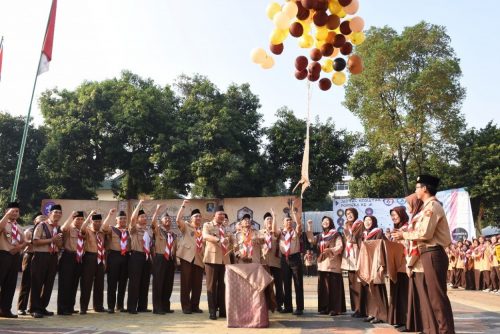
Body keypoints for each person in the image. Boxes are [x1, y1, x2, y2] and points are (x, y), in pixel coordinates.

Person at [392, 174, 455, 334]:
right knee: (434, 297)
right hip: (427, 253)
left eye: (417, 187)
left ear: (425, 188)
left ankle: (446, 331)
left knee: (437, 297)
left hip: (433, 253)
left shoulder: (432, 207)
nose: (416, 190)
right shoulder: (428, 207)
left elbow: (425, 233)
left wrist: (404, 235)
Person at [306, 216, 345, 316]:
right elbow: (311, 240)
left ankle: (334, 309)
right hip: (322, 264)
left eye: (327, 221)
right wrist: (309, 226)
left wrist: (330, 250)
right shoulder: (320, 236)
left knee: (333, 288)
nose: (325, 222)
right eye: (323, 221)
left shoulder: (336, 234)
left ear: (331, 222)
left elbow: (340, 246)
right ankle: (324, 308)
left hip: (333, 264)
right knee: (323, 288)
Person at [30, 203, 63, 318]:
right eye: (55, 212)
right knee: (37, 283)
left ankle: (43, 307)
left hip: (53, 256)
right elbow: (35, 241)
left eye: (59, 213)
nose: (57, 215)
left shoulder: (58, 228)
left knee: (48, 284)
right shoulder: (41, 225)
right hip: (40, 256)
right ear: (49, 214)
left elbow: (59, 244)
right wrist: (51, 239)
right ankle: (34, 308)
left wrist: (58, 241)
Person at [80, 210, 114, 314]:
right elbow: (81, 229)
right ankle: (83, 307)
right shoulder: (87, 230)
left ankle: (98, 306)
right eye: (96, 222)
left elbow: (106, 226)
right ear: (91, 221)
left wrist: (109, 214)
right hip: (89, 257)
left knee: (99, 283)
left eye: (99, 221)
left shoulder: (102, 232)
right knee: (86, 283)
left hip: (101, 257)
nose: (98, 223)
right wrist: (90, 215)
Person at [127, 200, 159, 314]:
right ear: (138, 218)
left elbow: (151, 245)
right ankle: (131, 307)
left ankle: (142, 306)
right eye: (142, 216)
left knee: (145, 282)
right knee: (134, 282)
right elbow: (132, 219)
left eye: (145, 217)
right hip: (136, 256)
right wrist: (139, 204)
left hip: (146, 257)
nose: (144, 218)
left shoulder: (149, 230)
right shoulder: (134, 228)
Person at [202, 205, 233, 320]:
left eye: (223, 214)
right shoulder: (207, 225)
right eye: (219, 214)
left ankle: (223, 311)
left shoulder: (226, 227)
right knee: (211, 287)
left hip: (225, 260)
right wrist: (219, 239)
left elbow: (231, 240)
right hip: (212, 259)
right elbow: (205, 236)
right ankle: (212, 311)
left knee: (223, 286)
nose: (222, 216)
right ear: (214, 215)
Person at [57, 210, 89, 315]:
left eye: (81, 219)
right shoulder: (69, 228)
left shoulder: (82, 230)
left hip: (79, 257)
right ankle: (62, 308)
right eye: (77, 219)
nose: (79, 221)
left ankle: (70, 307)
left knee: (74, 283)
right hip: (68, 256)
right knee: (65, 284)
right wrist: (71, 214)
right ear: (73, 219)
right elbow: (63, 228)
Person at [175, 200, 205, 314]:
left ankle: (195, 306)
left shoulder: (202, 230)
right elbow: (178, 219)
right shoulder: (187, 226)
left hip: (199, 258)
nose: (198, 218)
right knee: (186, 283)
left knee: (197, 284)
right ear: (192, 218)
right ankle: (186, 307)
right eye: (195, 216)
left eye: (199, 216)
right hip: (187, 257)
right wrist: (183, 205)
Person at [0, 202, 27, 318]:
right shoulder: (3, 223)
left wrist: (19, 248)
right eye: (12, 211)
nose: (15, 213)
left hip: (14, 256)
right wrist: (6, 216)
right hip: (3, 254)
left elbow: (25, 242)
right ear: (6, 211)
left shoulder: (19, 227)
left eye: (17, 211)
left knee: (10, 284)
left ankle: (5, 309)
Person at [360, 215, 388, 324]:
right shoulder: (364, 234)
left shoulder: (378, 232)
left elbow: (381, 247)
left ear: (374, 222)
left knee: (377, 288)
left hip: (376, 263)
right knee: (369, 289)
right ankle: (372, 313)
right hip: (367, 263)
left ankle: (381, 315)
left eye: (369, 220)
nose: (367, 222)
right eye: (365, 220)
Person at [102, 210, 130, 313]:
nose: (122, 220)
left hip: (125, 256)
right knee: (112, 282)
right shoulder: (112, 229)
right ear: (116, 219)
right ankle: (111, 306)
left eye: (124, 218)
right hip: (114, 256)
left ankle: (120, 305)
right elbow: (104, 227)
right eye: (120, 218)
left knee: (123, 283)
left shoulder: (128, 231)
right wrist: (109, 214)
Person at [279, 206, 304, 316]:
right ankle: (288, 307)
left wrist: (294, 214)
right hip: (284, 259)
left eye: (290, 220)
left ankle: (299, 308)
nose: (289, 222)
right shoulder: (280, 233)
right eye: (287, 220)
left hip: (295, 258)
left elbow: (299, 225)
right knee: (286, 284)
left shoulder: (295, 232)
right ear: (283, 222)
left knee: (298, 283)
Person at [341, 207, 365, 318]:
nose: (349, 215)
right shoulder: (349, 226)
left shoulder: (359, 223)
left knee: (358, 284)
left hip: (357, 256)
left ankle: (361, 309)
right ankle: (356, 309)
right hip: (349, 258)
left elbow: (353, 239)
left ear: (355, 214)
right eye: (347, 214)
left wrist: (346, 230)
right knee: (351, 284)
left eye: (350, 213)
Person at [388, 206, 410, 329]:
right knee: (397, 293)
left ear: (402, 214)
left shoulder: (407, 228)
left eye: (396, 214)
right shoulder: (395, 229)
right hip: (395, 265)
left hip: (404, 264)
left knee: (405, 293)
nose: (394, 217)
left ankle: (408, 321)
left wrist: (402, 239)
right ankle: (400, 319)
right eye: (392, 215)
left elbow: (410, 244)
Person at [17, 212, 43, 316]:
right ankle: (21, 307)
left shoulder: (47, 231)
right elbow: (27, 242)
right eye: (40, 219)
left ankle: (32, 307)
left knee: (37, 284)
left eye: (44, 219)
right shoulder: (29, 231)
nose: (42, 221)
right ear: (35, 221)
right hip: (29, 255)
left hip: (40, 257)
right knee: (26, 282)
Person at [152, 209, 177, 314]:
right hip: (160, 258)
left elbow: (175, 248)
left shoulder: (173, 234)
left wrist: (175, 260)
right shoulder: (158, 230)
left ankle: (165, 306)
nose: (168, 220)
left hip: (170, 259)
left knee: (168, 283)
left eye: (169, 218)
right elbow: (153, 222)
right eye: (165, 218)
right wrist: (157, 210)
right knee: (159, 283)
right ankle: (157, 308)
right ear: (161, 221)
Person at [260, 210, 284, 312]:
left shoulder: (277, 231)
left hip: (276, 261)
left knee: (278, 284)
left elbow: (275, 232)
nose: (269, 220)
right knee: (265, 285)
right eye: (267, 219)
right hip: (264, 262)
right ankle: (267, 305)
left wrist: (274, 216)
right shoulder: (260, 233)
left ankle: (279, 305)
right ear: (264, 222)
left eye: (271, 219)